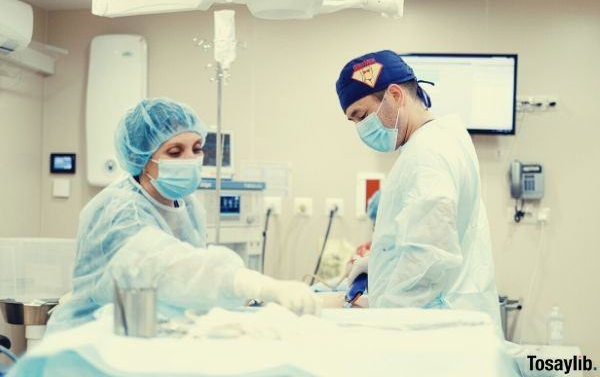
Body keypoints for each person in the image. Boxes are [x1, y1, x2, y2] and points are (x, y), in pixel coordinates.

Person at [47, 98, 319, 333]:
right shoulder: (121, 211)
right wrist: (254, 284)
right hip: (92, 340)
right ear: (142, 158)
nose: (190, 159)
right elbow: (168, 268)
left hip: (146, 333)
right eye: (175, 151)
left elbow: (183, 287)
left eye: (197, 148)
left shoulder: (188, 206)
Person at [337, 50, 501, 330]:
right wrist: (377, 264)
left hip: (435, 331)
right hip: (443, 320)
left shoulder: (427, 155)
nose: (361, 129)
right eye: (354, 121)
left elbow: (427, 257)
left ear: (395, 95)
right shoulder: (441, 139)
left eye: (362, 115)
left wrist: (385, 322)